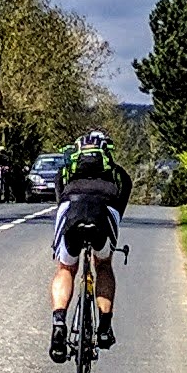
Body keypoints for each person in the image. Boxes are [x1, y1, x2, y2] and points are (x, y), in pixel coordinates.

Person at [47, 132, 130, 361]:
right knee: (103, 265)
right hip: (102, 214)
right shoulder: (115, 172)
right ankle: (103, 327)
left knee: (65, 269)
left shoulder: (65, 170)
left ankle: (59, 322)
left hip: (71, 211)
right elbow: (125, 192)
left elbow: (59, 197)